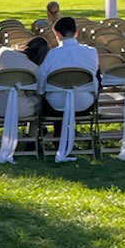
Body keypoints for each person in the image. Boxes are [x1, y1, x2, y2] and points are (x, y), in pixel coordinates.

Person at [37, 17, 100, 158]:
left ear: (57, 35)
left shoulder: (52, 55)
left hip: (56, 106)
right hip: (85, 103)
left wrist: (41, 94)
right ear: (76, 32)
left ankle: (56, 138)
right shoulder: (91, 52)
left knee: (51, 97)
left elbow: (41, 82)